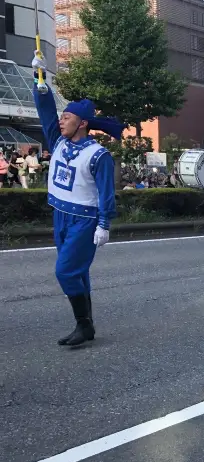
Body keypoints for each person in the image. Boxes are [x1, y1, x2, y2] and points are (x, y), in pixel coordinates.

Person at [32, 50, 124, 346]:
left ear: (82, 123)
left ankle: (84, 325)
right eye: (62, 117)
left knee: (65, 271)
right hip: (60, 214)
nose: (61, 121)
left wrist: (104, 224)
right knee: (78, 272)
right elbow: (46, 112)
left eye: (67, 117)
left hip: (84, 220)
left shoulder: (99, 155)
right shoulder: (58, 140)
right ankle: (86, 326)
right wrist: (40, 80)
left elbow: (106, 193)